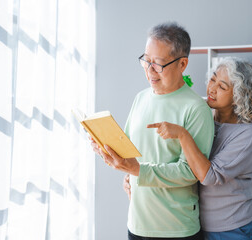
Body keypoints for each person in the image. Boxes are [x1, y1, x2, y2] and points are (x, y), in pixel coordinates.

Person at [91, 22, 214, 239]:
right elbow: (131, 151)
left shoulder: (196, 108)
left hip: (176, 228)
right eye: (146, 60)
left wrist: (139, 171)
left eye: (158, 64)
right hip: (137, 224)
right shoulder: (141, 98)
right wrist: (108, 151)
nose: (149, 70)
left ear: (182, 64)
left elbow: (191, 172)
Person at [125, 57, 252, 240]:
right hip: (199, 224)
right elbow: (179, 163)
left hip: (233, 228)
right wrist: (134, 178)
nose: (212, 89)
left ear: (239, 97)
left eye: (222, 87)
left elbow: (209, 176)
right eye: (212, 79)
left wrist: (183, 135)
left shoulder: (246, 134)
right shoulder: (206, 117)